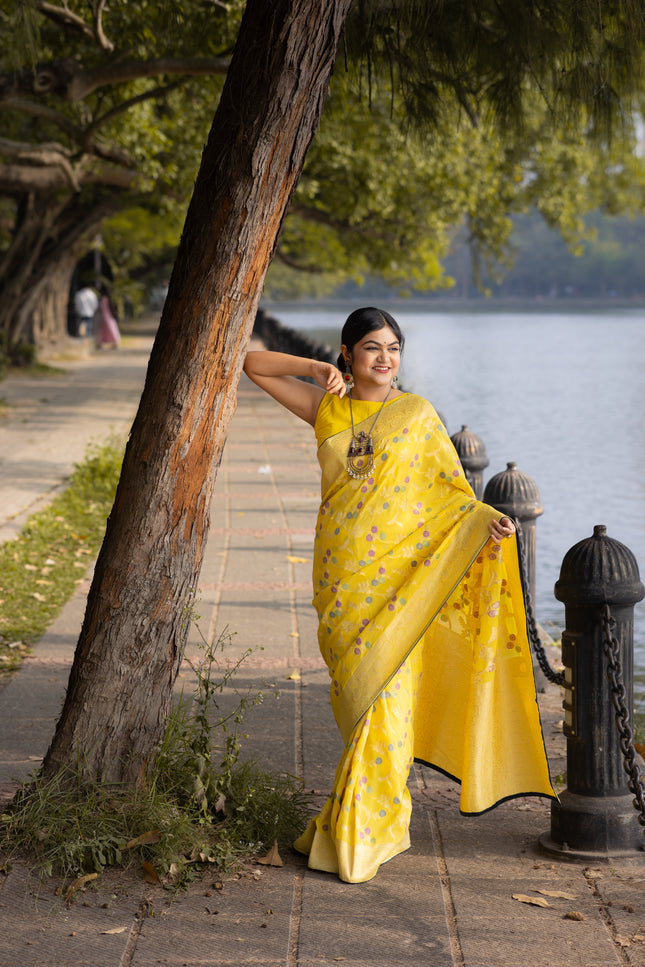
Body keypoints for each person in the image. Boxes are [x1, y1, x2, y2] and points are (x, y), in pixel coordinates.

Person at [243, 307, 555, 884]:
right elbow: (253, 364)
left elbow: (448, 493)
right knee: (359, 695)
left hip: (397, 581)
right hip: (342, 577)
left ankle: (367, 829)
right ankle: (360, 820)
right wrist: (313, 367)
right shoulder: (326, 409)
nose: (385, 358)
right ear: (347, 353)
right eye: (370, 348)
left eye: (393, 348)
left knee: (384, 702)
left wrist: (486, 521)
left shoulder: (415, 415)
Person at [95, 283, 121, 349]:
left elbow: (102, 308)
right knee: (109, 329)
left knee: (108, 329)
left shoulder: (103, 299)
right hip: (109, 316)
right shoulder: (108, 298)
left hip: (106, 317)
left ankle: (112, 343)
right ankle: (104, 343)